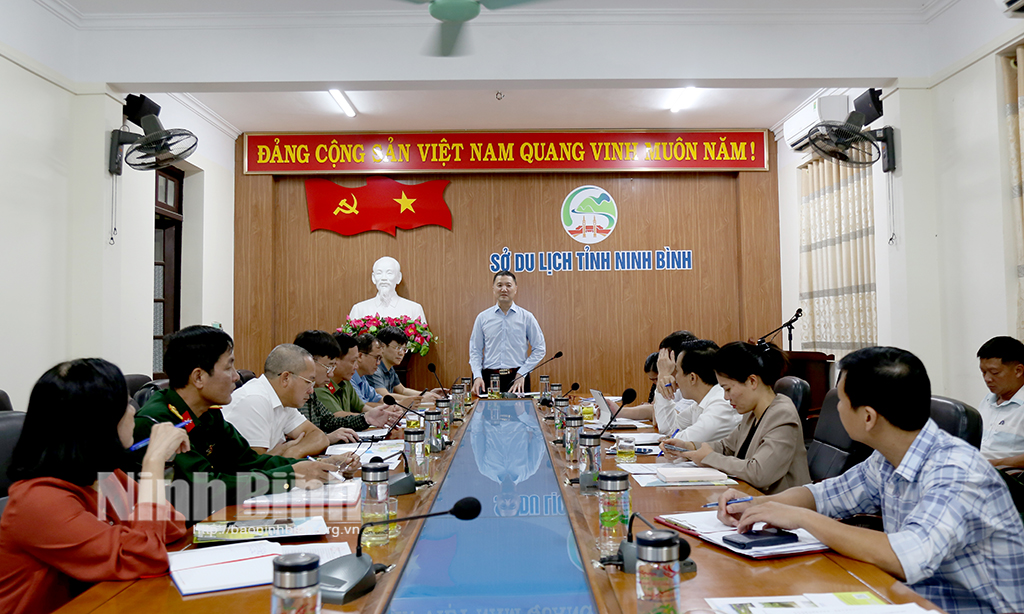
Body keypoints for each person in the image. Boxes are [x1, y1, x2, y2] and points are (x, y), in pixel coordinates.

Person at [715, 346, 1024, 614]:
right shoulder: (888, 457)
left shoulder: (957, 471)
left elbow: (904, 556)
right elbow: (825, 495)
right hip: (909, 594)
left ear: (868, 417)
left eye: (841, 400)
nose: (835, 407)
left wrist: (801, 518)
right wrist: (755, 505)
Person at [0, 358, 188, 614]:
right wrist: (153, 465)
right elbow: (146, 556)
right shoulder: (39, 501)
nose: (134, 411)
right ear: (99, 423)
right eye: (125, 404)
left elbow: (173, 526)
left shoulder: (105, 476)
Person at [131, 326, 357, 521]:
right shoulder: (157, 423)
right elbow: (205, 487)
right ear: (198, 377)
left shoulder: (209, 414)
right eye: (228, 367)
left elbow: (248, 461)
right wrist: (291, 475)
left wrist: (317, 466)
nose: (236, 377)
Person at [660, 341, 809, 494]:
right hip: (751, 497)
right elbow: (727, 447)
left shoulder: (781, 414)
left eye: (728, 389)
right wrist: (688, 446)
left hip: (781, 507)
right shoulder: (752, 412)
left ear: (752, 381)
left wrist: (708, 458)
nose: (725, 397)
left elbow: (760, 473)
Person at [222, 343, 330, 458]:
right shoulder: (254, 400)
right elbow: (257, 466)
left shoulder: (283, 400)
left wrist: (293, 452)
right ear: (285, 378)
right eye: (308, 382)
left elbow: (319, 437)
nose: (311, 391)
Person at [295, 331, 402, 434]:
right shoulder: (301, 394)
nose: (331, 374)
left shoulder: (313, 391)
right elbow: (306, 437)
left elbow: (329, 421)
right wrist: (327, 438)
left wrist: (368, 418)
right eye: (329, 366)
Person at [469, 270, 547, 396]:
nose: (504, 289)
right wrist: (477, 376)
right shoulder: (483, 318)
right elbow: (475, 350)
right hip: (489, 379)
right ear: (493, 288)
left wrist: (523, 372)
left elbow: (540, 348)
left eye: (508, 285)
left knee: (520, 415)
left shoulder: (526, 317)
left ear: (515, 289)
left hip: (517, 379)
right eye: (499, 285)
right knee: (489, 415)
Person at [654, 339, 741, 442]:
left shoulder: (722, 403)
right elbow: (669, 429)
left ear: (692, 378)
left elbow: (686, 442)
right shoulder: (700, 403)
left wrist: (669, 440)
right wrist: (662, 386)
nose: (675, 378)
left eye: (677, 371)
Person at [976, 336, 1024, 467]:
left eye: (994, 373)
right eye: (983, 372)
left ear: (1018, 371)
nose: (987, 379)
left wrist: (994, 464)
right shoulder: (988, 400)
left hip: (1007, 476)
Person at [367, 326, 440, 402]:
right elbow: (384, 396)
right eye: (397, 348)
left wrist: (429, 394)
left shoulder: (389, 367)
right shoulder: (374, 368)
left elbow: (402, 390)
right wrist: (421, 399)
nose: (401, 353)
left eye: (404, 349)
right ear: (382, 347)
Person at [348, 256, 427, 324]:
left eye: (389, 273)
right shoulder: (359, 310)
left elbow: (422, 340)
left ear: (398, 277)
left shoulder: (414, 309)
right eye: (379, 273)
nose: (384, 278)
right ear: (373, 278)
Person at [351, 333, 384, 405]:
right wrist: (391, 407)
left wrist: (398, 404)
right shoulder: (349, 377)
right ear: (360, 356)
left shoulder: (362, 377)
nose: (378, 363)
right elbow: (361, 406)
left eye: (380, 359)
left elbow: (377, 398)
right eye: (376, 358)